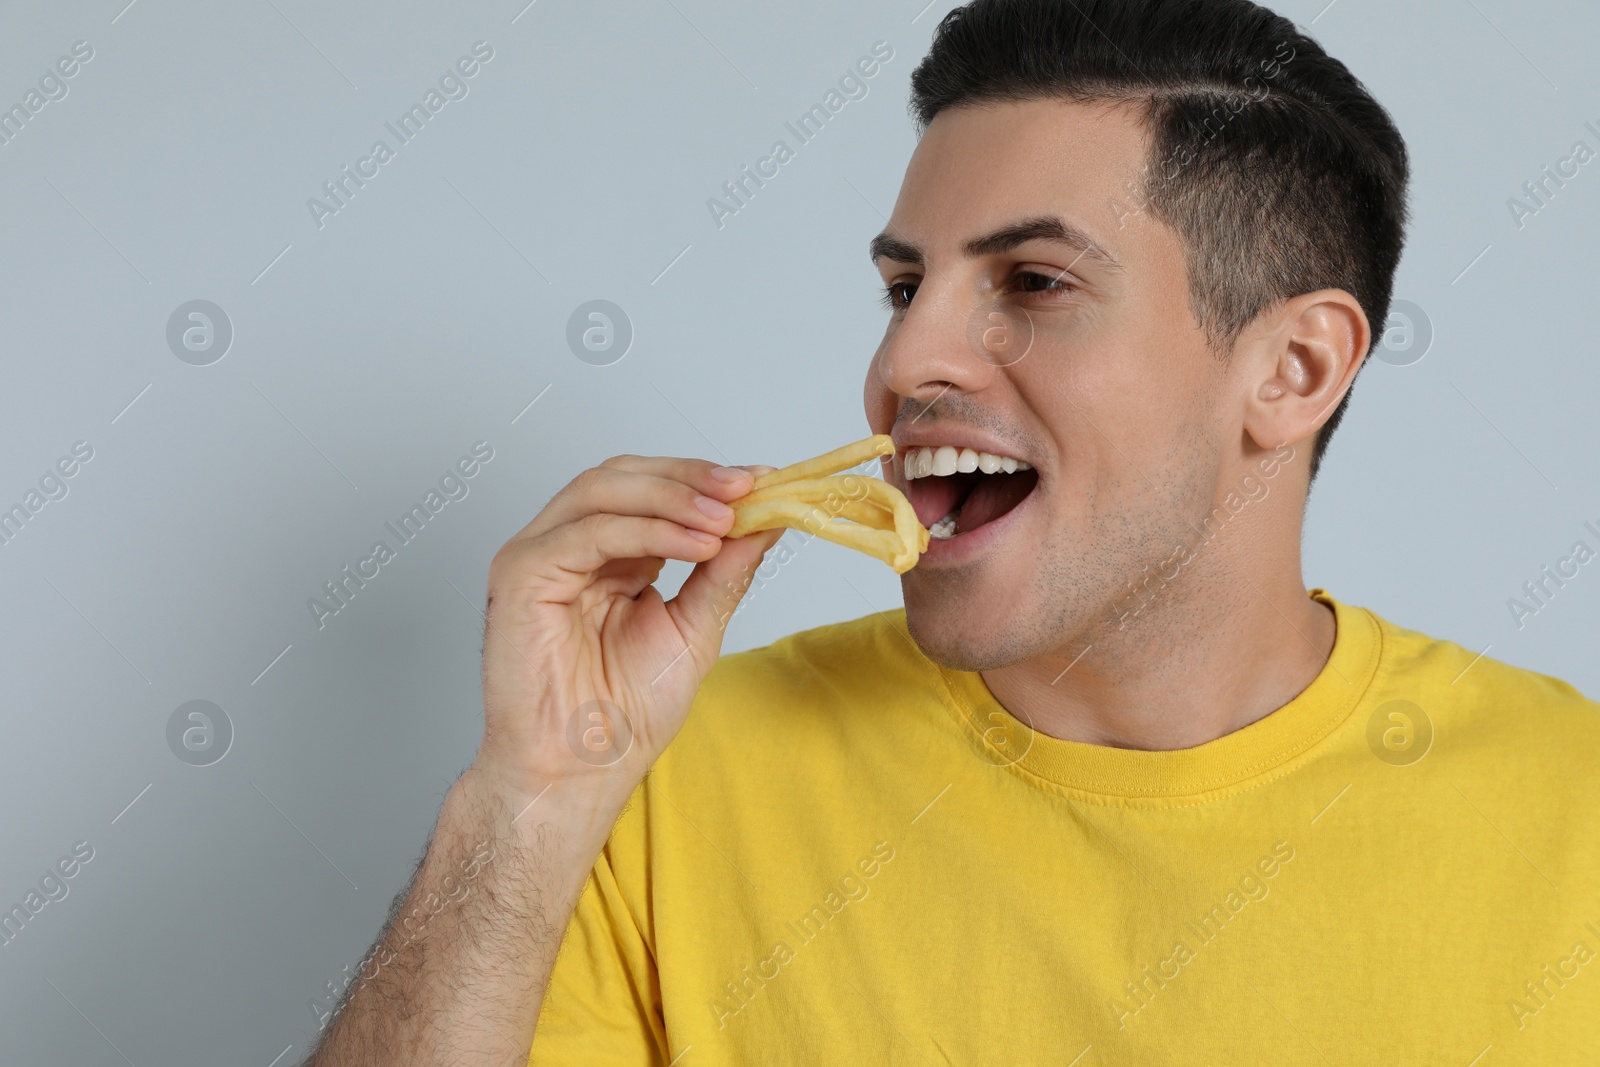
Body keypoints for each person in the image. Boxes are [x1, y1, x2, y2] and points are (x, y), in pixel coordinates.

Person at [305, 1, 1600, 1063]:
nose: (903, 357)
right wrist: (530, 803)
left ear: (1294, 370)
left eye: (1034, 282)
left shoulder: (1572, 817)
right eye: (904, 287)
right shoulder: (662, 781)